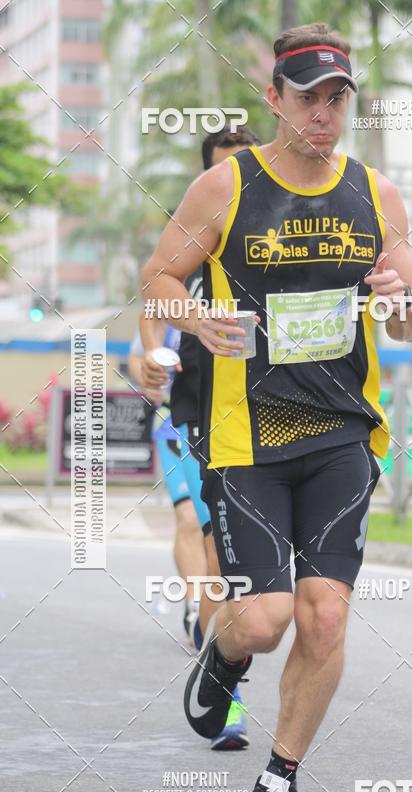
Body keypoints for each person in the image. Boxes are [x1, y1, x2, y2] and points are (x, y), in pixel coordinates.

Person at [140, 22, 412, 792]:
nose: (324, 114)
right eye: (308, 98)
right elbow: (158, 275)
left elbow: (410, 317)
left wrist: (402, 306)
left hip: (342, 435)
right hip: (247, 439)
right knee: (262, 621)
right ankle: (224, 653)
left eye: (338, 98)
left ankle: (280, 776)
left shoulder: (377, 195)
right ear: (274, 99)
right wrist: (196, 323)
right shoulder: (227, 187)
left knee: (325, 614)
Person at [136, 125, 259, 751]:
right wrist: (151, 361)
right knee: (204, 541)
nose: (232, 182)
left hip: (274, 415)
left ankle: (217, 639)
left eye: (243, 167)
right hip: (198, 412)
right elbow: (151, 322)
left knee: (263, 582)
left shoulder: (280, 237)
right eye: (221, 171)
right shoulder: (193, 240)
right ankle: (227, 696)